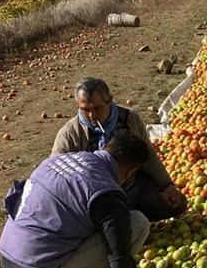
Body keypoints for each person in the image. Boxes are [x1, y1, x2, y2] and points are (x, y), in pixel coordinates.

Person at [0, 130, 151, 268]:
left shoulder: (57, 160)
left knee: (87, 226)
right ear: (131, 171)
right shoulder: (106, 193)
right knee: (137, 224)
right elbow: (120, 267)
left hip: (8, 261)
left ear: (104, 148)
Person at [53, 77, 186, 223]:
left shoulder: (129, 119)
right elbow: (56, 177)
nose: (92, 115)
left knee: (177, 204)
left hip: (133, 186)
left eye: (97, 108)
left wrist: (166, 185)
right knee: (112, 226)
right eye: (85, 110)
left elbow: (149, 155)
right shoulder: (70, 134)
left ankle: (131, 215)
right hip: (97, 198)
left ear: (109, 102)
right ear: (78, 106)